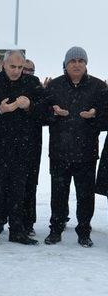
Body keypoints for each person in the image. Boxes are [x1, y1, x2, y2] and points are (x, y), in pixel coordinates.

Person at [0, 50, 44, 246]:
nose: (16, 71)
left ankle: (17, 230)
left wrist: (30, 105)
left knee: (19, 191)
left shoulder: (32, 84)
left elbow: (45, 113)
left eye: (20, 67)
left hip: (23, 149)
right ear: (3, 65)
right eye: (13, 66)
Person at [42, 47, 105, 247]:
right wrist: (53, 113)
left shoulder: (98, 87)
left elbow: (106, 120)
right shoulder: (54, 86)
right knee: (58, 193)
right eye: (72, 61)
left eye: (80, 60)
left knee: (85, 196)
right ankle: (56, 229)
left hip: (87, 152)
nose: (77, 64)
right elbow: (42, 116)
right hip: (60, 151)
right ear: (66, 64)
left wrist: (95, 116)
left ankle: (84, 231)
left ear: (86, 64)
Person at [21, 58, 42, 236]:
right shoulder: (10, 85)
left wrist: (30, 106)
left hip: (32, 145)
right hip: (8, 147)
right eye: (24, 70)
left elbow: (44, 113)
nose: (27, 73)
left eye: (30, 70)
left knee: (30, 186)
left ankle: (28, 222)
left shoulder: (36, 87)